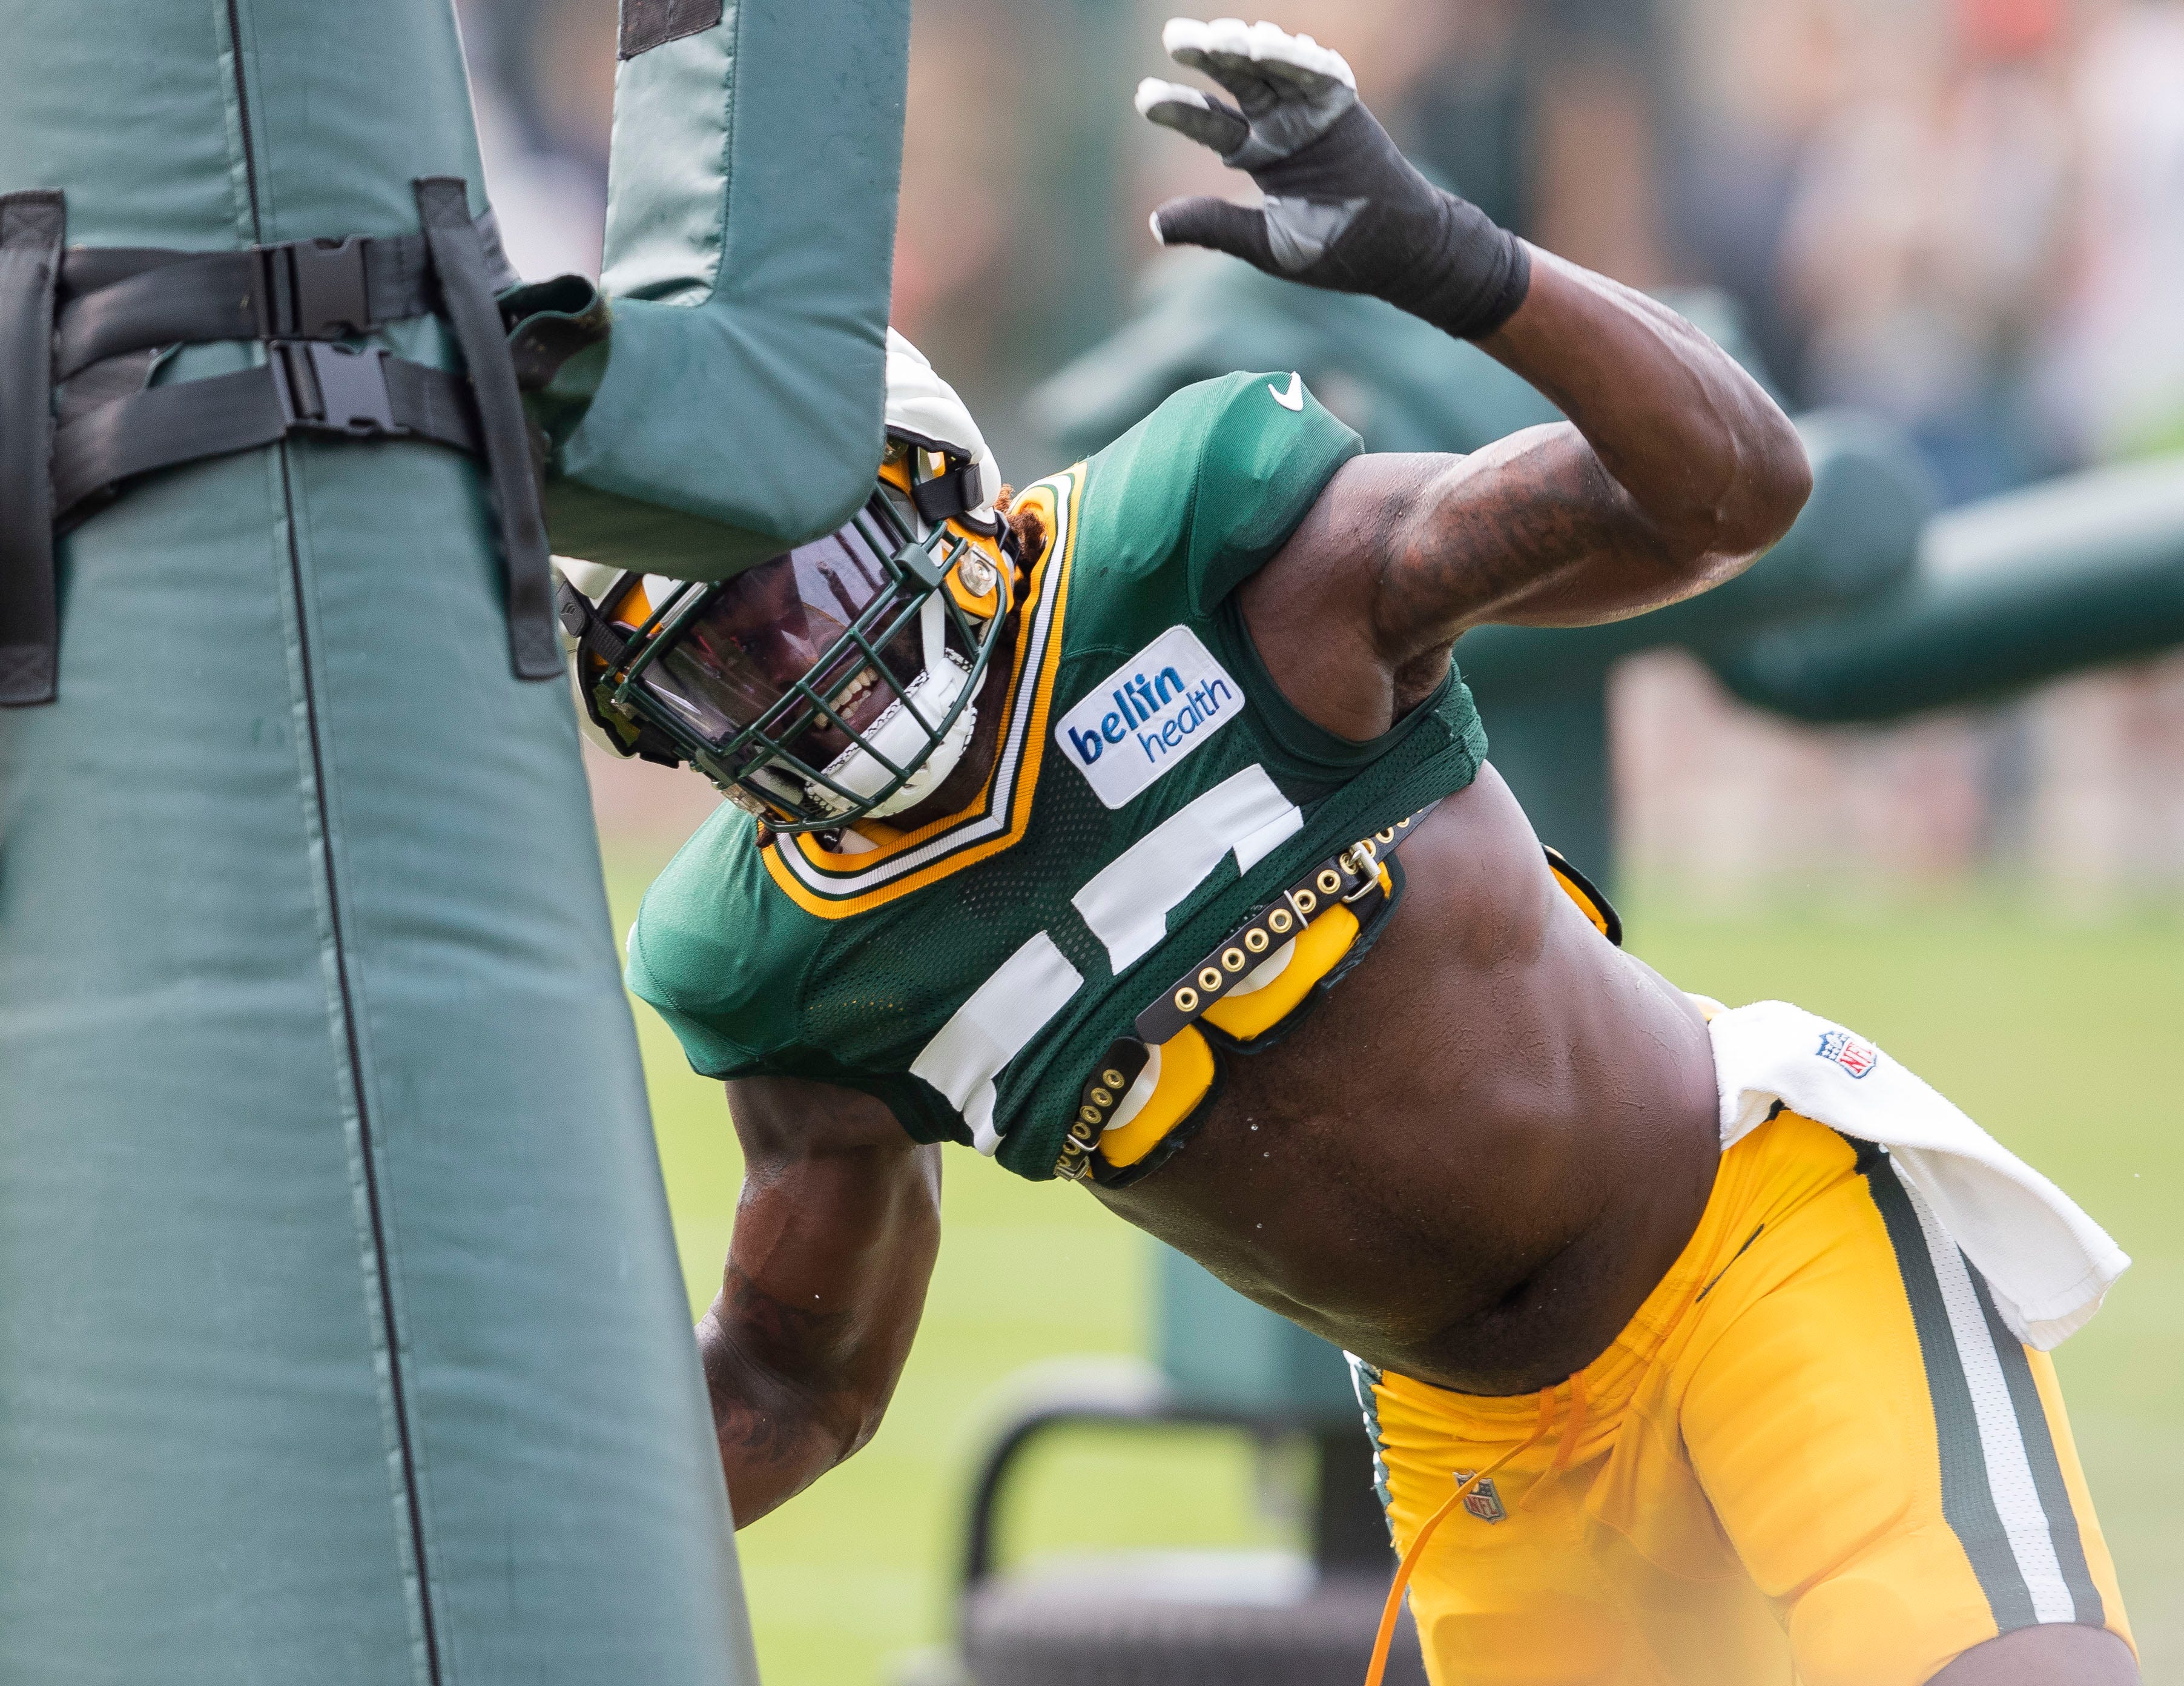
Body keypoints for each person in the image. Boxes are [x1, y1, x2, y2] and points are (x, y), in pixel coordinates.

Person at [558, 19, 2134, 1685]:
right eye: (726, 648)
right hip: (1489, 1440)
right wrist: (426, 1545)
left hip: (1752, 1241)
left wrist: (1458, 261)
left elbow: (1729, 496)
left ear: (937, 480)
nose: (813, 661)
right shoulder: (789, 972)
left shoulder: (1230, 567)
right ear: (653, 721)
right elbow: (787, 1393)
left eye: (815, 577)